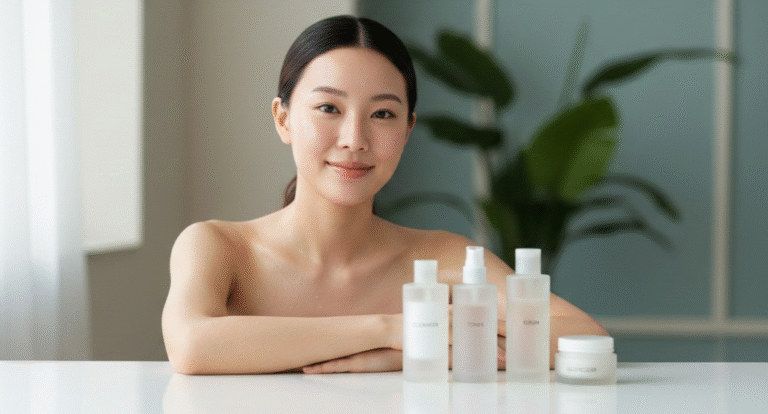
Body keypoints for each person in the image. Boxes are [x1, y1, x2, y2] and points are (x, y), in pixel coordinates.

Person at [161, 15, 607, 375]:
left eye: (382, 113)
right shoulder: (219, 247)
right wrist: (394, 329)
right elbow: (191, 345)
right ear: (283, 119)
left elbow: (585, 335)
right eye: (329, 108)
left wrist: (401, 354)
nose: (355, 138)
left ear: (408, 128)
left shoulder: (442, 256)